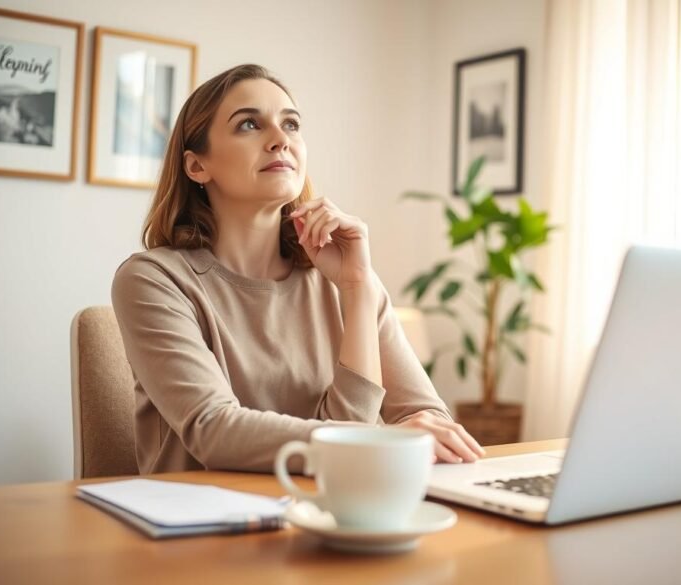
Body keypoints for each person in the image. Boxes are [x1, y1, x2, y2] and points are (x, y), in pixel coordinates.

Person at [112, 64, 484, 474]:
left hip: (334, 514)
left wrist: (358, 288)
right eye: (250, 124)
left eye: (291, 124)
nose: (280, 140)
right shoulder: (152, 281)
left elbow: (430, 419)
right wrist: (375, 439)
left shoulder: (347, 280)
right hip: (204, 526)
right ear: (197, 166)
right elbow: (212, 429)